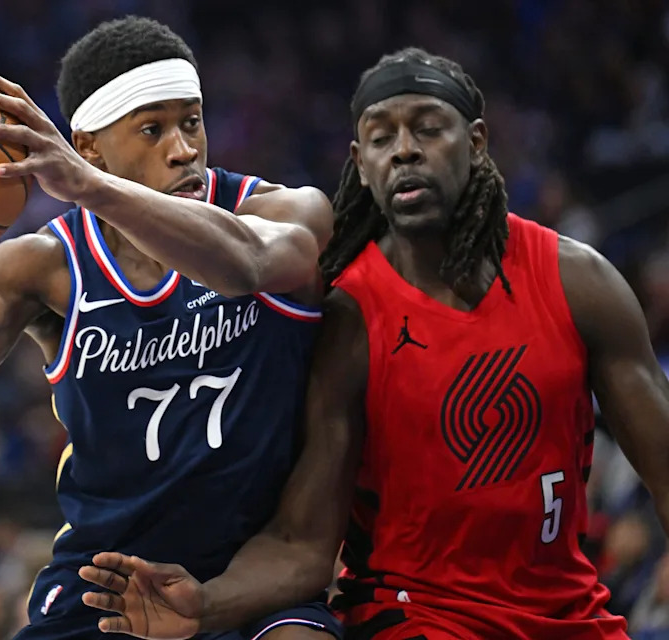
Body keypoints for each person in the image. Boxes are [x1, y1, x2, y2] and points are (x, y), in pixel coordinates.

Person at [80, 47, 669, 640]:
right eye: (382, 139)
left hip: (570, 614)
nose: (405, 150)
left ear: (478, 142)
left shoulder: (578, 281)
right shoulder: (348, 317)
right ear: (361, 166)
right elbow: (304, 546)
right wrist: (202, 605)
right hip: (416, 617)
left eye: (428, 129)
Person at [0, 15, 341, 640]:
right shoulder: (43, 265)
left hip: (255, 575)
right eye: (152, 130)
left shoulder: (282, 210)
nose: (182, 147)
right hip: (103, 582)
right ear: (91, 144)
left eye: (191, 121)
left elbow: (249, 265)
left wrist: (90, 186)